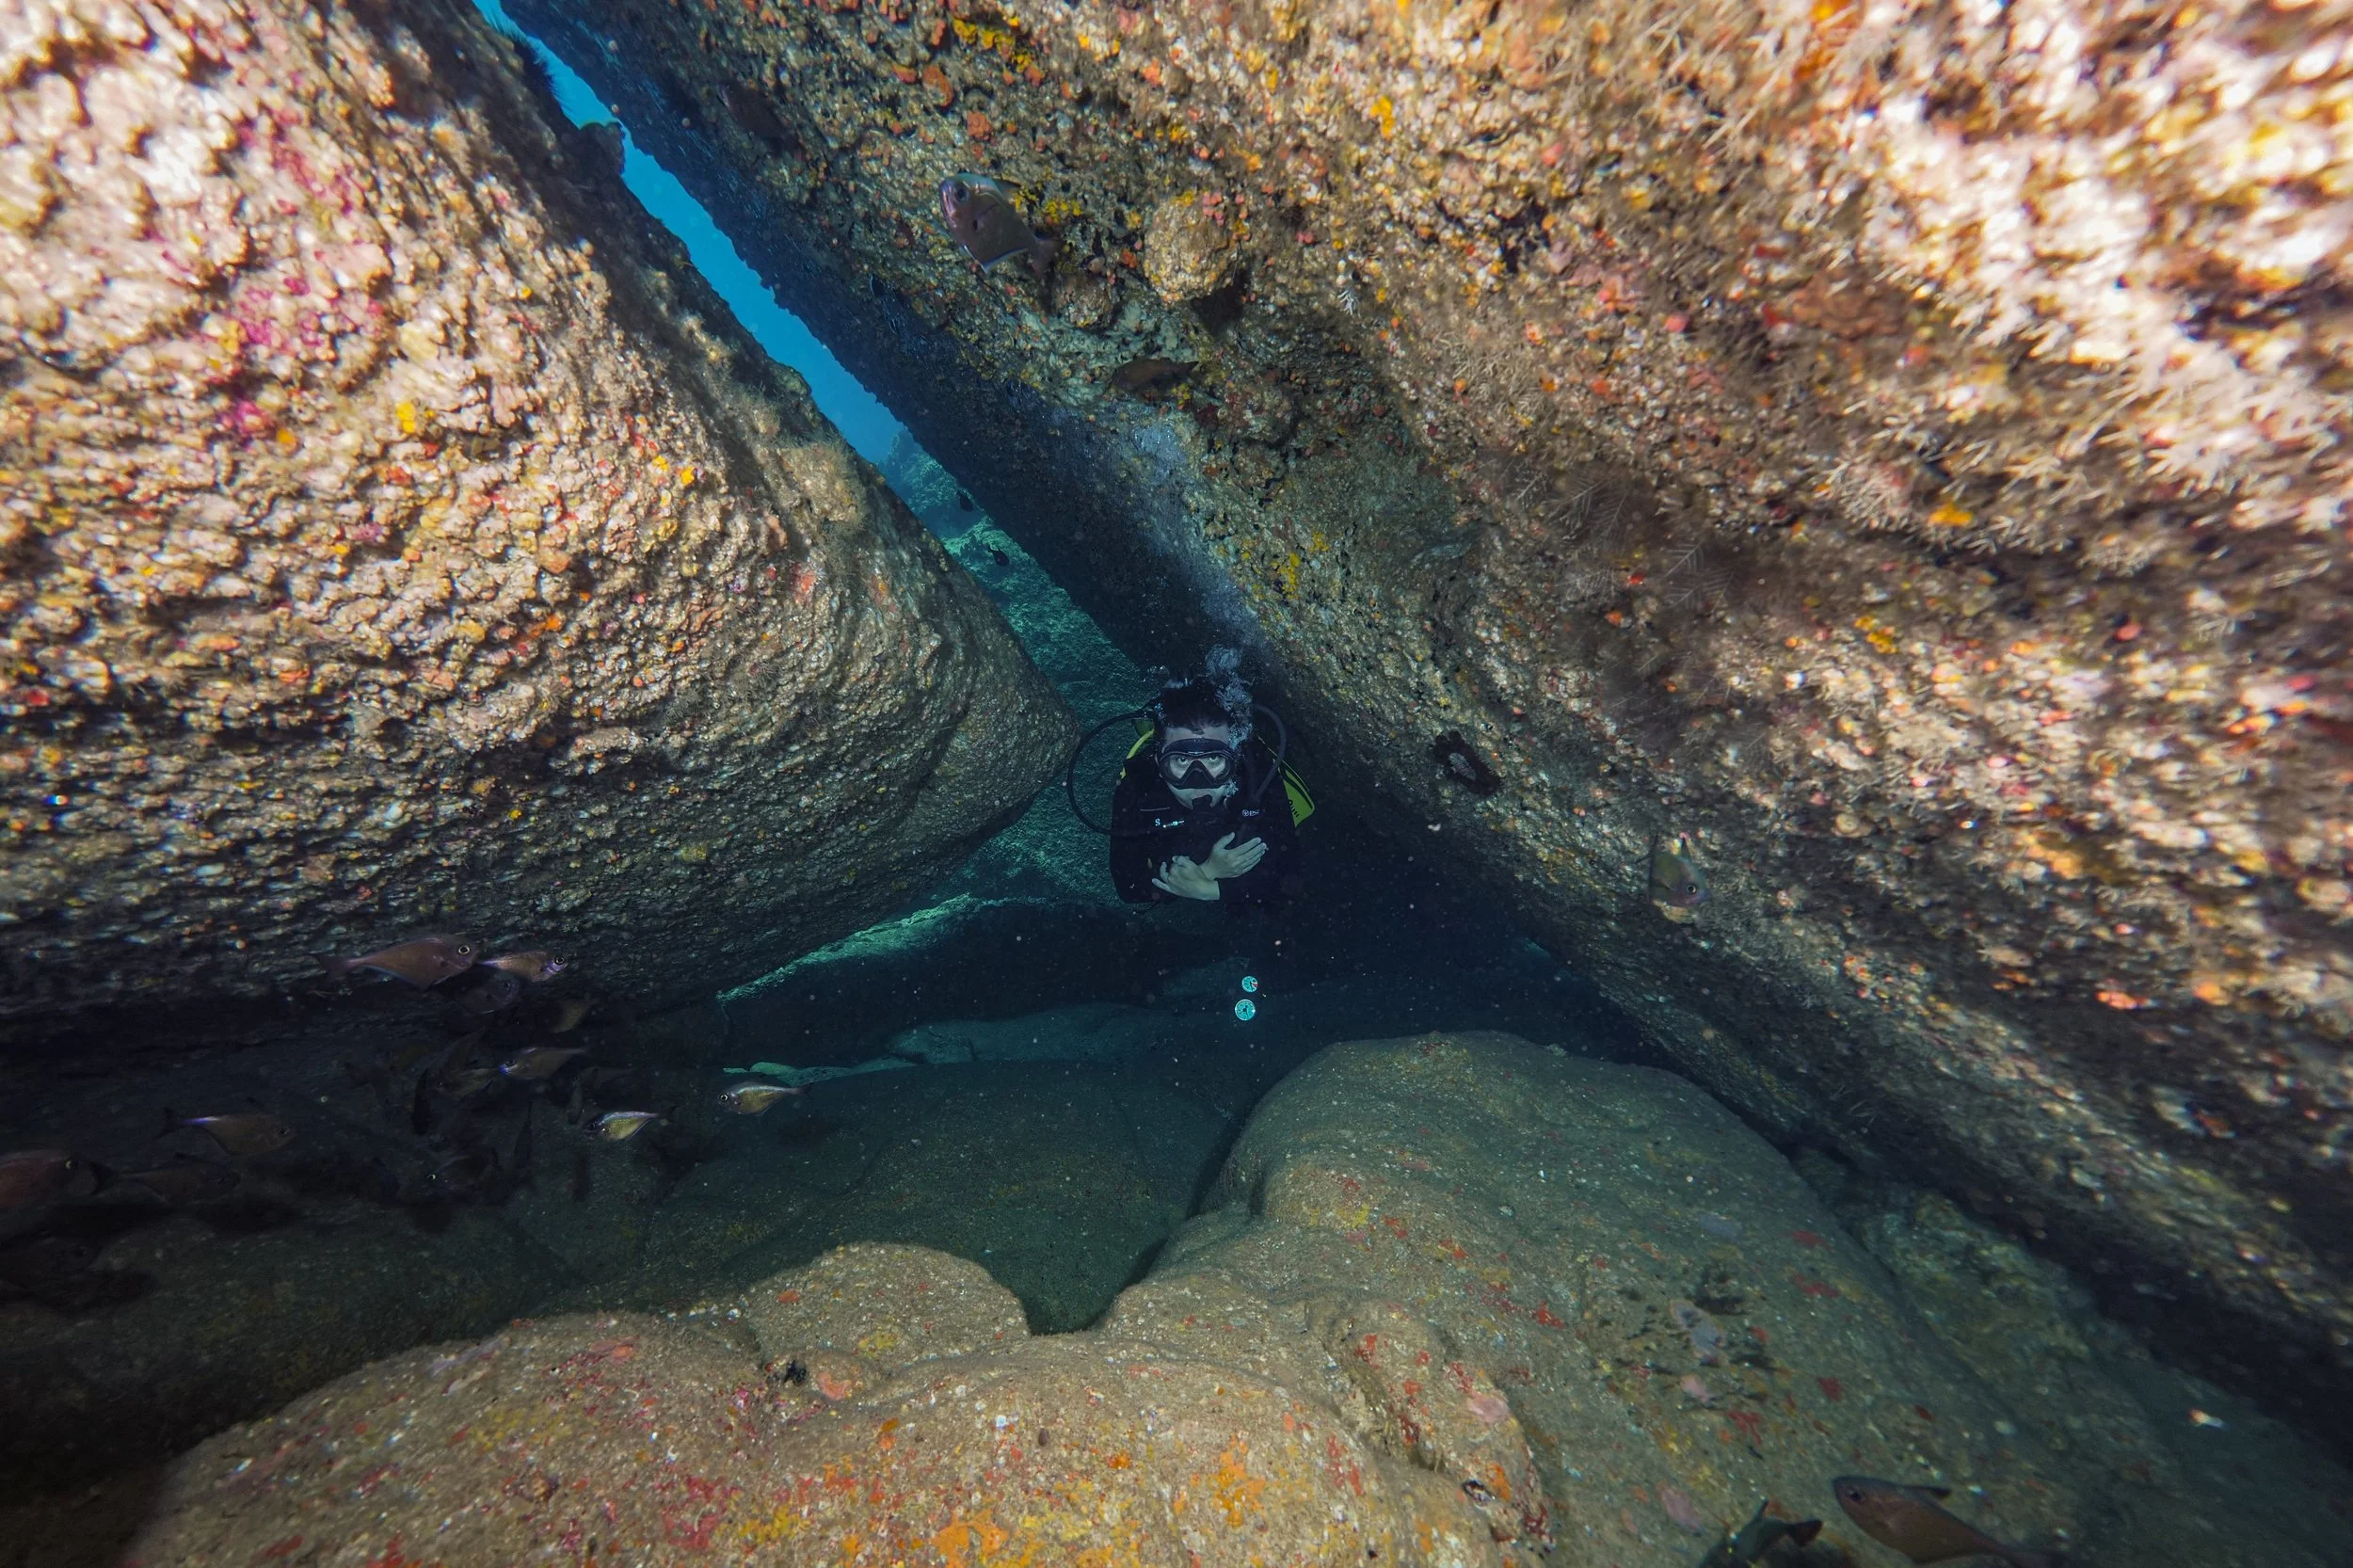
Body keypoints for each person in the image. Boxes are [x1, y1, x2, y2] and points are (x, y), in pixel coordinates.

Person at [1109, 672, 1303, 907]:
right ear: (1159, 763)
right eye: (1181, 762)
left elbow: (1289, 876)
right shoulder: (1138, 787)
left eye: (1213, 759)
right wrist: (1209, 871)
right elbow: (1128, 887)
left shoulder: (1254, 774)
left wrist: (1211, 890)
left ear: (1234, 759)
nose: (1198, 781)